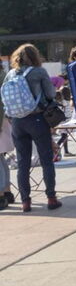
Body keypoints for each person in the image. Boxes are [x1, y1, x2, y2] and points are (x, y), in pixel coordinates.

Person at [5, 44, 61, 212]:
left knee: (23, 162)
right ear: (35, 56)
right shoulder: (39, 72)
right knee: (46, 160)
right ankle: (51, 198)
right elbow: (50, 94)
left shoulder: (10, 74)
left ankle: (25, 202)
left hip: (17, 121)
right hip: (37, 119)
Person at [0, 65, 15, 210]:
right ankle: (7, 192)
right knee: (1, 158)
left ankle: (1, 196)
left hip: (1, 122)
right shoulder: (3, 74)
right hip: (4, 121)